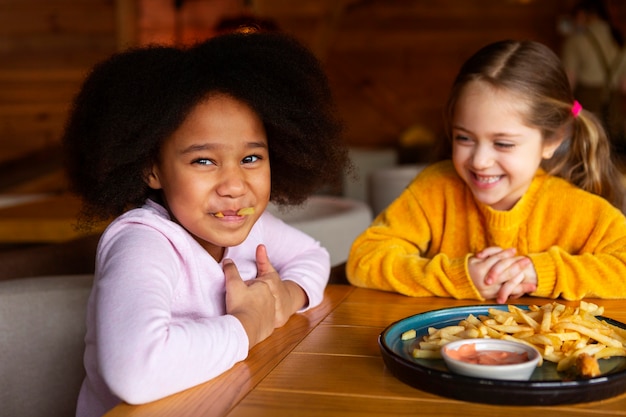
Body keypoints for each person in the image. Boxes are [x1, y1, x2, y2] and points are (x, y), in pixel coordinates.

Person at [63, 32, 348, 417]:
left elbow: (313, 255)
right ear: (152, 168)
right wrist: (249, 322)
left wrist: (284, 298)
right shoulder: (144, 242)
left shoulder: (247, 224)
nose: (234, 186)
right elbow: (135, 371)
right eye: (204, 161)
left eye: (251, 159)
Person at [347, 40, 626, 305]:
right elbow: (364, 260)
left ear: (552, 140)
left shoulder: (575, 208)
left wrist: (540, 273)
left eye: (503, 143)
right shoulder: (434, 189)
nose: (479, 161)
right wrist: (457, 276)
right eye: (464, 138)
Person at [561, 0, 626, 152]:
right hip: (615, 110)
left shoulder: (576, 41)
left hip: (587, 108)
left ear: (583, 15)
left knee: (588, 151)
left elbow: (567, 84)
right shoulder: (619, 39)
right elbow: (624, 85)